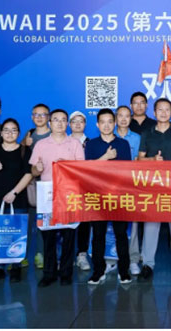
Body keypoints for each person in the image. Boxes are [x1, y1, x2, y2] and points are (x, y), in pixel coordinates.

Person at [29, 109, 85, 287]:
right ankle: (49, 273)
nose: (59, 123)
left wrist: (67, 166)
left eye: (63, 120)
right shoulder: (41, 144)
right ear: (50, 123)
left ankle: (66, 273)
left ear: (67, 123)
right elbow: (33, 171)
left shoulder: (75, 144)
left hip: (69, 193)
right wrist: (37, 169)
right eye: (56, 120)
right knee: (48, 235)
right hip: (47, 195)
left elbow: (82, 170)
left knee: (69, 234)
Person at [137, 98, 171, 281]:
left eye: (167, 109)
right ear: (154, 112)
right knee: (151, 226)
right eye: (160, 109)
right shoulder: (147, 133)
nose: (164, 113)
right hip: (153, 186)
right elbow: (139, 160)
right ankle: (147, 264)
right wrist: (152, 160)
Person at [0, 118, 33, 284]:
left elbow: (28, 174)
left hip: (18, 198)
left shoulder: (25, 151)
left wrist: (14, 192)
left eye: (14, 130)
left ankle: (16, 267)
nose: (10, 133)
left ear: (18, 133)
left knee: (17, 233)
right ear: (1, 133)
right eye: (6, 130)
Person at [85, 108, 133, 285]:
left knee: (121, 234)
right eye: (102, 122)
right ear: (97, 125)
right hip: (97, 196)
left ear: (114, 123)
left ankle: (124, 271)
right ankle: (98, 271)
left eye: (110, 122)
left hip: (119, 196)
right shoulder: (91, 145)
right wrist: (105, 157)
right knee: (98, 235)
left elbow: (126, 171)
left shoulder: (123, 144)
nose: (106, 125)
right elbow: (87, 169)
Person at [21, 103, 51, 269]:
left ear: (48, 117)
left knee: (44, 221)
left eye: (43, 114)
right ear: (32, 117)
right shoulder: (29, 134)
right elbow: (20, 158)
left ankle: (41, 254)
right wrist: (24, 144)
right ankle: (21, 255)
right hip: (28, 184)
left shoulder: (54, 135)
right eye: (36, 114)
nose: (39, 117)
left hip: (47, 185)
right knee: (26, 220)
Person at [114, 105, 143, 275]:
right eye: (120, 116)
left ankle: (133, 259)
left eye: (127, 116)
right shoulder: (109, 135)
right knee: (112, 223)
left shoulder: (137, 138)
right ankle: (112, 258)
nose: (124, 119)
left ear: (131, 119)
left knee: (133, 224)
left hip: (131, 184)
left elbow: (140, 161)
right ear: (115, 118)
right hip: (111, 186)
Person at [71, 110, 95, 272]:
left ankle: (82, 254)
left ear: (85, 124)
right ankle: (64, 256)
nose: (78, 124)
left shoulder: (91, 143)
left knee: (84, 223)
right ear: (69, 124)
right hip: (67, 188)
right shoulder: (63, 141)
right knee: (66, 223)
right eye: (74, 121)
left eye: (81, 121)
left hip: (86, 188)